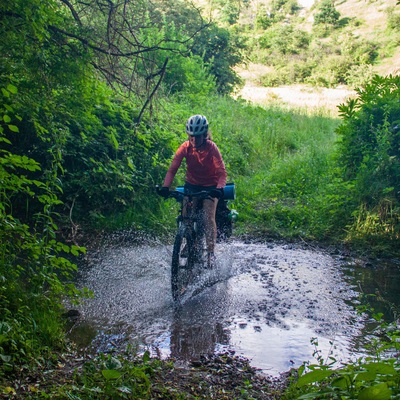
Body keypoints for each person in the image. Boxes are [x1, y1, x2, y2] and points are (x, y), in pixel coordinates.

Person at [160, 114, 227, 268]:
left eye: (198, 137)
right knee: (186, 216)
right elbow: (172, 170)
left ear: (204, 135)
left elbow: (222, 173)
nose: (194, 140)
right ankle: (187, 239)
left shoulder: (212, 148)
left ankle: (210, 253)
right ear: (188, 135)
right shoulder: (185, 147)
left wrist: (218, 189)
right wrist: (165, 187)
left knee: (208, 216)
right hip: (191, 185)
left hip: (210, 186)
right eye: (191, 137)